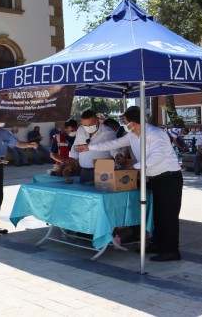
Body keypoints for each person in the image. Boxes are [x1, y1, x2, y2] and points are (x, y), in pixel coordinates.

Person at [75, 106, 183, 262]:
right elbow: (113, 144)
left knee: (169, 216)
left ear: (134, 122)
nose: (123, 124)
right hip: (154, 179)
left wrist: (135, 167)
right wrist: (89, 147)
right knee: (157, 216)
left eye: (124, 121)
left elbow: (156, 158)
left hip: (169, 178)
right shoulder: (132, 134)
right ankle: (158, 244)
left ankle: (172, 250)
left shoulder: (154, 134)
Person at [62, 110, 117, 184]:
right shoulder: (81, 129)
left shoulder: (108, 132)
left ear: (97, 120)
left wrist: (118, 155)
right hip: (84, 171)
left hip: (102, 171)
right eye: (85, 125)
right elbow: (74, 149)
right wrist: (69, 165)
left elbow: (114, 150)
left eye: (91, 124)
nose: (88, 127)